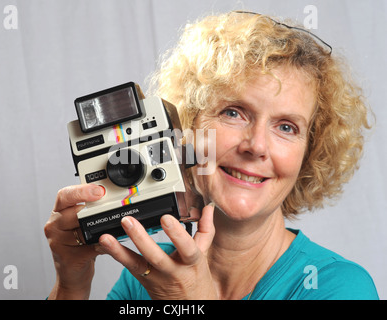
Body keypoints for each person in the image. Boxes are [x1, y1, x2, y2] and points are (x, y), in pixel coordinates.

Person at [44, 11, 379, 300]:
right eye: (234, 113)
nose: (257, 146)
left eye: (287, 127)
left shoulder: (336, 285)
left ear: (310, 154)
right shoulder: (150, 271)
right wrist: (71, 285)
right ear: (185, 128)